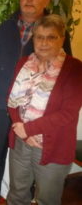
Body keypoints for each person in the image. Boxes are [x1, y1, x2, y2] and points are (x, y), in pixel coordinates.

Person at [0, 0, 72, 205]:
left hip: (33, 110)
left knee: (26, 156)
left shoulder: (54, 32)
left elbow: (64, 71)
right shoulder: (5, 27)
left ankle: (25, 198)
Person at [6, 14, 82, 205]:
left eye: (51, 37)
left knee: (47, 199)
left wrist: (29, 129)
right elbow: (12, 101)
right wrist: (23, 130)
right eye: (39, 36)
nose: (44, 42)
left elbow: (68, 113)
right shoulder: (23, 64)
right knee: (17, 194)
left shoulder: (75, 69)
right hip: (21, 141)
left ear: (62, 40)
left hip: (52, 146)